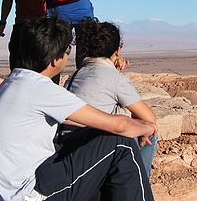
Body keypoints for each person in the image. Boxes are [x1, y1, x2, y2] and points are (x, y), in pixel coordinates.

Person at [0, 17, 175, 201]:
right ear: (55, 59)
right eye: (66, 51)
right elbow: (120, 124)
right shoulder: (42, 89)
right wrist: (145, 127)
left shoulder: (16, 81)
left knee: (107, 136)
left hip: (16, 191)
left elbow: (82, 121)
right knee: (120, 141)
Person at [63, 19, 158, 176]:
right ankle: (139, 185)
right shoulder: (115, 79)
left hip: (68, 144)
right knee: (151, 132)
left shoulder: (74, 75)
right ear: (117, 50)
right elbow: (149, 118)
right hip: (93, 149)